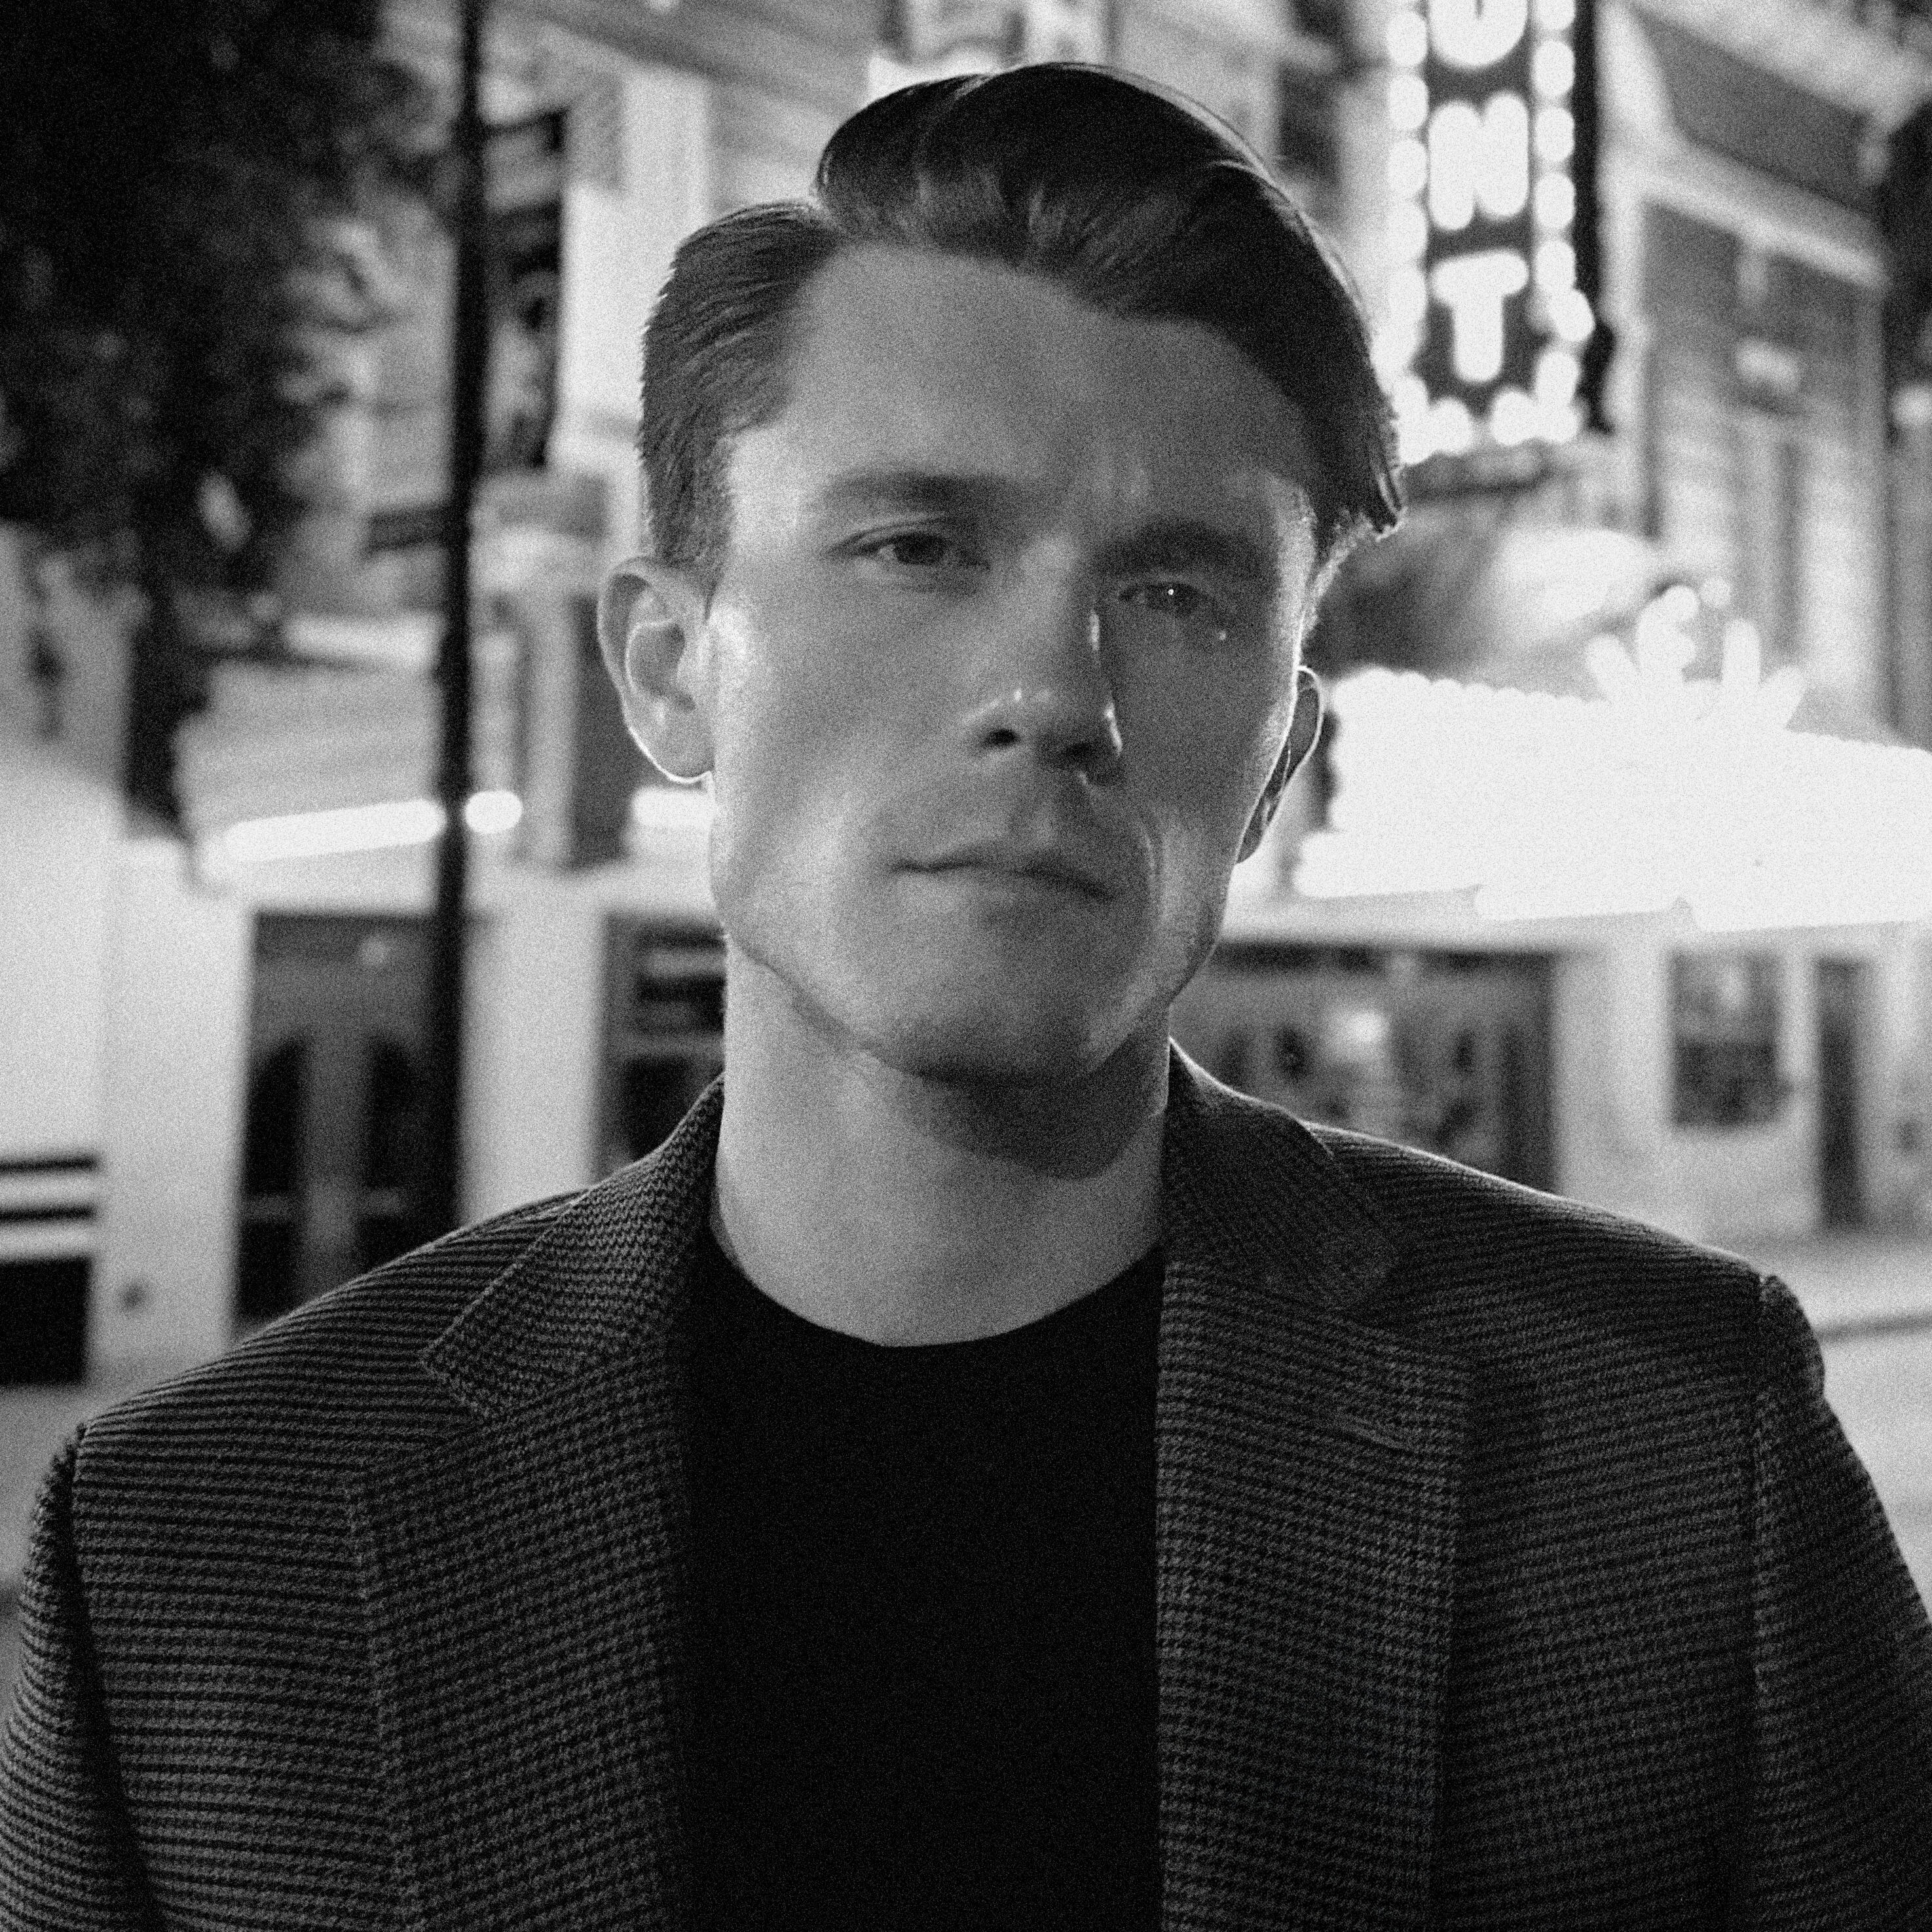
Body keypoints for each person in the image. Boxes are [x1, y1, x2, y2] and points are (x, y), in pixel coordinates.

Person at [3, 62, 1929, 1930]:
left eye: (1179, 593)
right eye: (917, 546)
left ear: (1278, 755)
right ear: (668, 669)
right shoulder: (188, 1562)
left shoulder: (1681, 1461)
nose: (1058, 692)